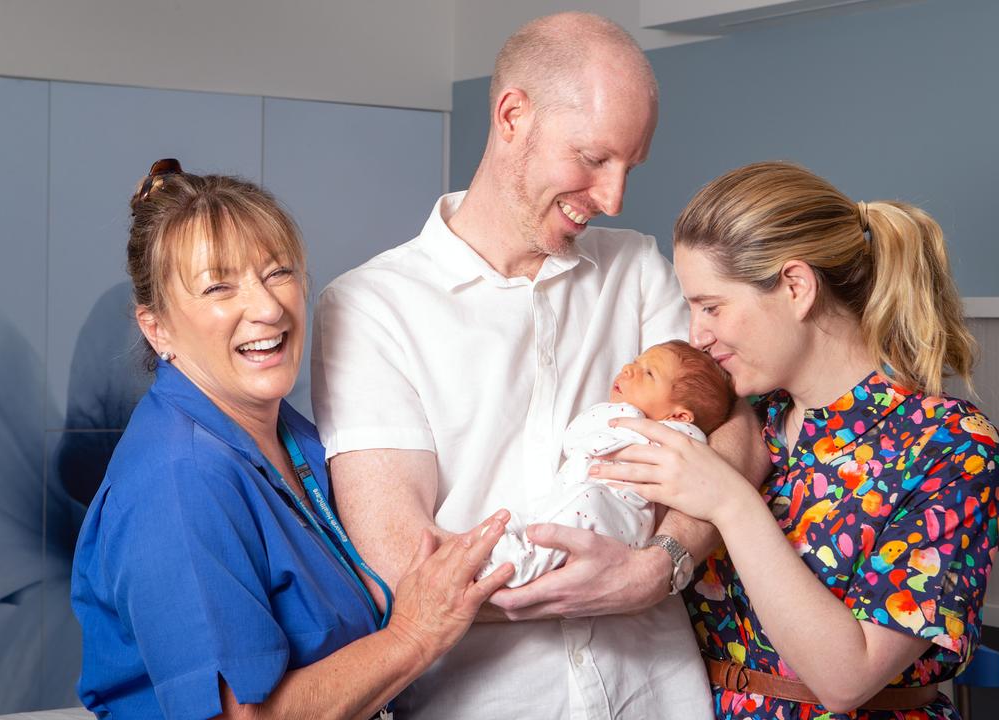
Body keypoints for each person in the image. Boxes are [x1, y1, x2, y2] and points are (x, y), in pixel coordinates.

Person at [311, 12, 768, 720]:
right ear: (513, 116)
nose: (614, 197)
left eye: (628, 167)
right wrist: (574, 586)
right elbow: (405, 564)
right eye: (593, 158)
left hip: (657, 696)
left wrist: (656, 567)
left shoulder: (637, 271)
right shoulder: (369, 308)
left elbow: (737, 434)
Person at [70, 160, 515, 720]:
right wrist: (415, 635)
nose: (267, 307)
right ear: (156, 329)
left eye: (278, 272)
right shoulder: (179, 481)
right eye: (218, 287)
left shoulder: (288, 437)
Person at [593, 161, 999, 719]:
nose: (697, 334)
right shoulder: (744, 421)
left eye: (712, 306)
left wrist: (731, 501)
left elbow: (847, 679)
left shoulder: (951, 447)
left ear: (796, 286)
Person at [483, 340, 737, 587]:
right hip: (568, 503)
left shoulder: (683, 438)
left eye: (648, 373)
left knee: (586, 500)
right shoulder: (611, 416)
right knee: (513, 521)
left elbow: (686, 452)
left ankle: (518, 568)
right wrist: (625, 414)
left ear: (680, 416)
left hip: (619, 519)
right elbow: (572, 439)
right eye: (636, 361)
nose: (628, 368)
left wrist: (629, 418)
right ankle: (496, 553)